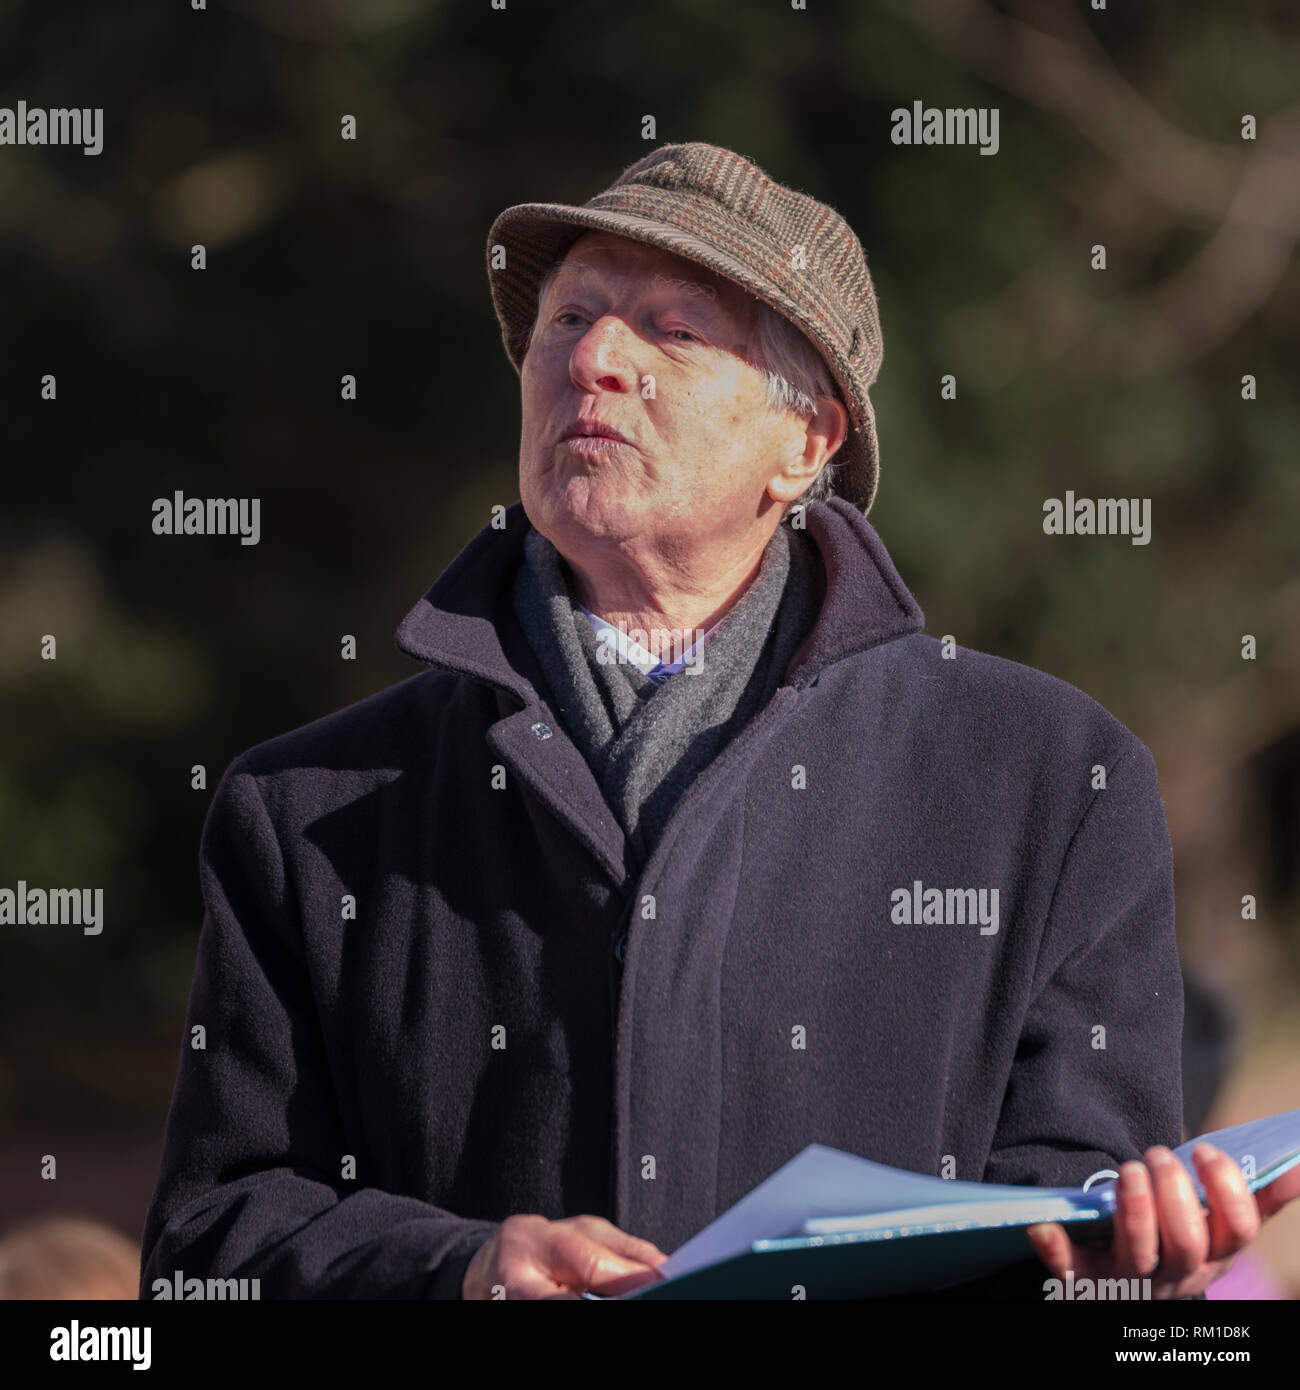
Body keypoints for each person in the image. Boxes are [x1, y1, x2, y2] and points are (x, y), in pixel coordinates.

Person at [140, 142, 1299, 1300]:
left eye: (675, 330)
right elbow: (207, 1248)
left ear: (807, 444)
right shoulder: (312, 805)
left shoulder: (1051, 782)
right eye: (566, 319)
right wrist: (455, 1270)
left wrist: (1132, 1274)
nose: (593, 358)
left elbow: (1072, 1220)